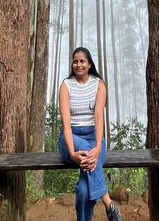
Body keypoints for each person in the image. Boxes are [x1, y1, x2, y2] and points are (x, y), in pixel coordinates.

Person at [58, 47, 122, 221]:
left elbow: (98, 116)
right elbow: (66, 125)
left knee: (84, 189)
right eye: (75, 61)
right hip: (70, 139)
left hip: (94, 136)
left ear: (89, 64)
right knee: (86, 149)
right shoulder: (66, 86)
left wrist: (98, 147)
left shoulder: (99, 84)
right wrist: (72, 152)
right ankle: (109, 204)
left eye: (82, 61)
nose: (78, 65)